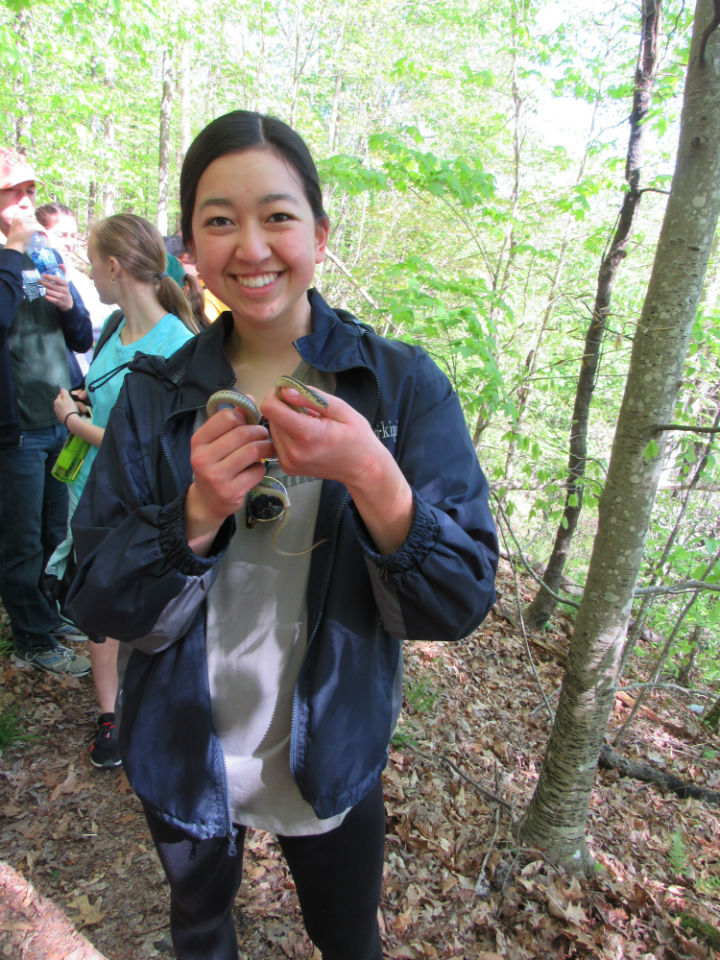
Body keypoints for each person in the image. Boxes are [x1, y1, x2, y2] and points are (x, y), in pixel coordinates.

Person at [65, 110, 498, 960]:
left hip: (329, 748)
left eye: (278, 216)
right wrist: (193, 516)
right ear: (189, 246)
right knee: (200, 927)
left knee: (347, 941)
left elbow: (461, 599)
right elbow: (93, 592)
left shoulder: (398, 385)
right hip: (185, 750)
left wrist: (373, 473)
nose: (251, 246)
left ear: (320, 234)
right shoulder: (156, 392)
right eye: (219, 220)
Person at [50, 213, 198, 768]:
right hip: (88, 494)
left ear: (114, 268)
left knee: (146, 604)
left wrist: (70, 421)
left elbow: (149, 443)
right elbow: (108, 400)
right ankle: (110, 717)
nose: (90, 274)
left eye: (93, 264)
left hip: (135, 502)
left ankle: (158, 708)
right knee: (96, 606)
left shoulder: (178, 345)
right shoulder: (113, 329)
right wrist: (84, 401)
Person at [0, 146, 92, 678]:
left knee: (56, 530)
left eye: (32, 190)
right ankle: (30, 639)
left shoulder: (44, 254)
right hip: (15, 427)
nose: (29, 201)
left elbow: (79, 334)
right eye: (18, 192)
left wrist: (70, 305)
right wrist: (13, 250)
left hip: (60, 417)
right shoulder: (12, 255)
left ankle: (50, 613)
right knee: (22, 540)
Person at [35, 202, 115, 375]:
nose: (69, 242)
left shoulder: (76, 278)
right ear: (40, 235)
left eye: (73, 235)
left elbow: (84, 336)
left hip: (76, 374)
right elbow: (19, 295)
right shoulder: (21, 270)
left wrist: (69, 308)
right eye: (61, 235)